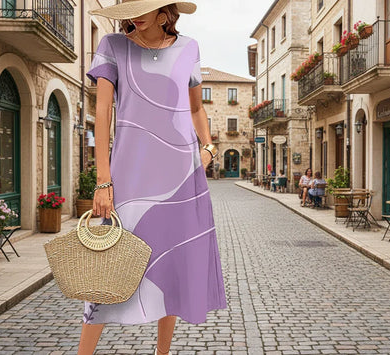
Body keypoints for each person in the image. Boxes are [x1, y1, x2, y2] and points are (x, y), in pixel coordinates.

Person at [82, 2, 227, 354]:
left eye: (146, 5)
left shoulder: (188, 48)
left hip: (181, 175)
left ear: (166, 12)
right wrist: (103, 180)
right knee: (107, 273)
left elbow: (195, 107)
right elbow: (102, 113)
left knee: (173, 265)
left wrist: (208, 148)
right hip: (130, 175)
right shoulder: (114, 46)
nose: (137, 14)